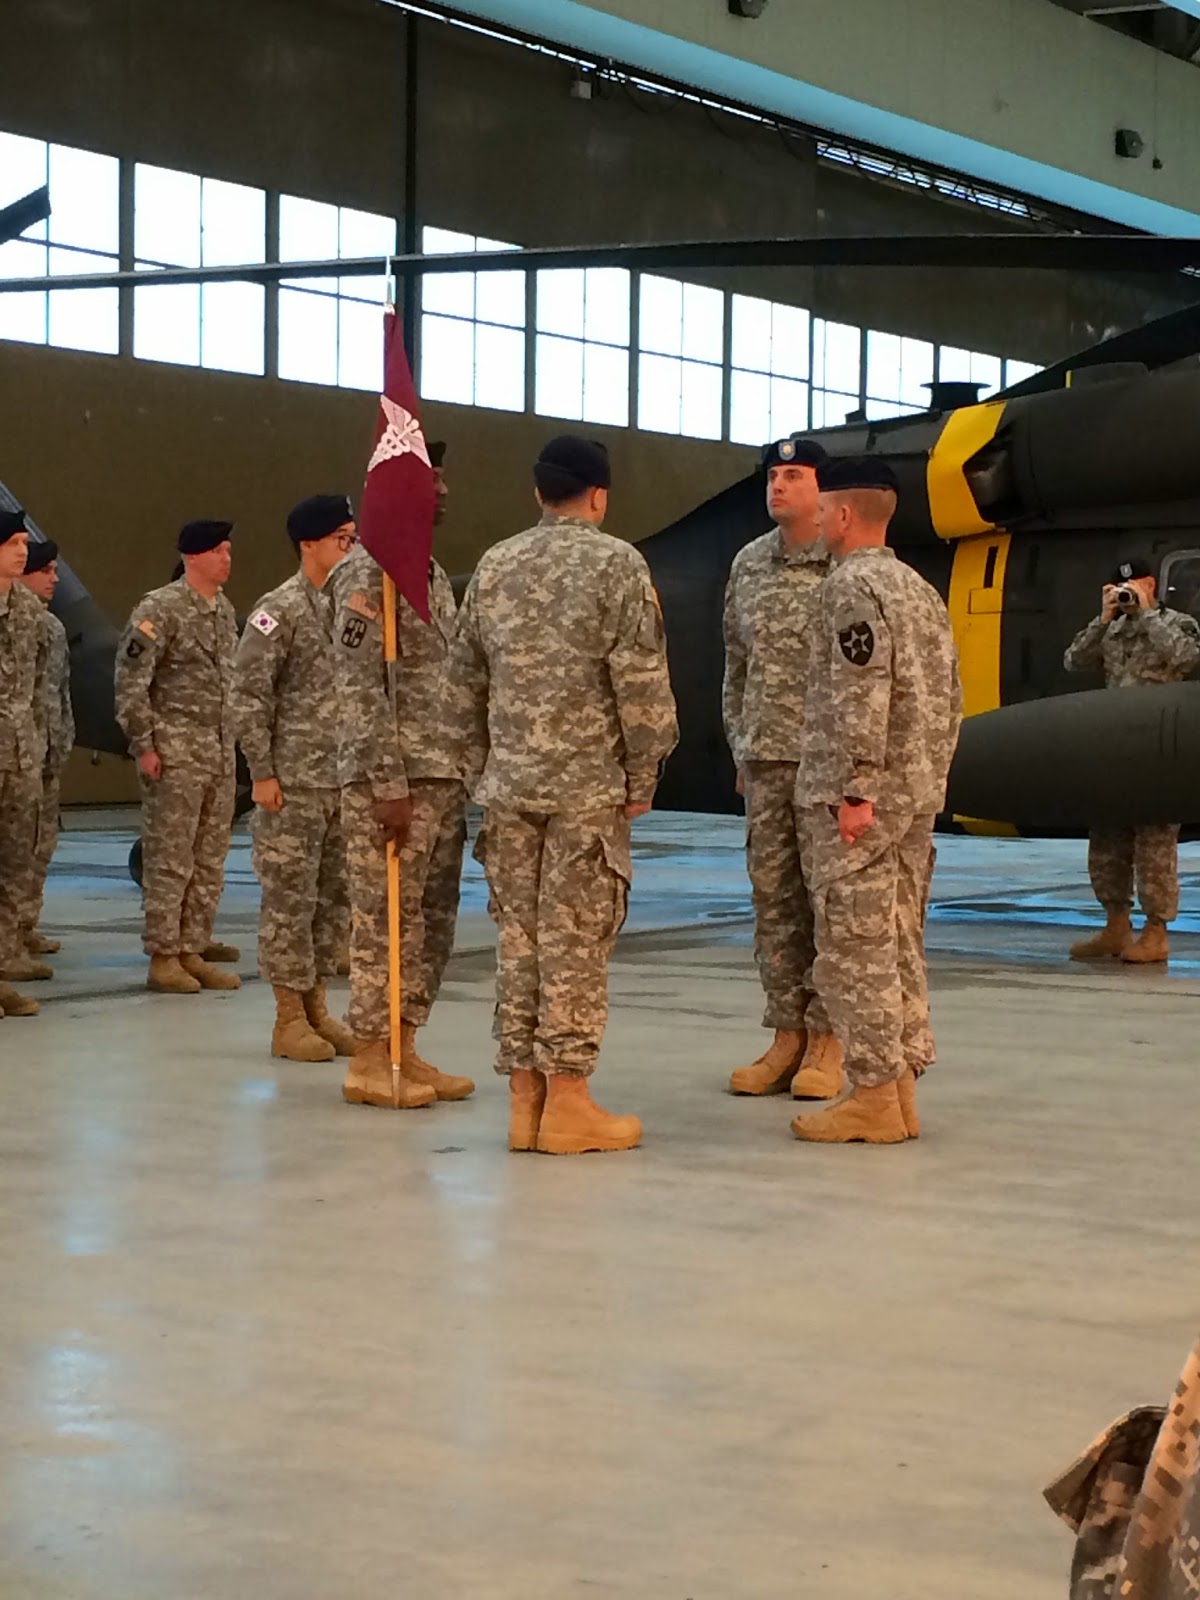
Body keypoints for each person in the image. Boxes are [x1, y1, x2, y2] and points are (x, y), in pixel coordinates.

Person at [445, 435, 679, 1155]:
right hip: (585, 789)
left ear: (537, 493)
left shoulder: (495, 564)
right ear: (599, 495)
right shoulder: (618, 565)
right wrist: (643, 774)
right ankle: (569, 1101)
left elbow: (462, 686)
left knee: (519, 941)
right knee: (574, 941)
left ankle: (526, 1103)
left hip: (510, 790)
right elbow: (641, 685)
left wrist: (481, 771)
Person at [792, 457, 962, 1146]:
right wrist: (926, 781)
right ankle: (899, 1091)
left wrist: (856, 788)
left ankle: (871, 1094)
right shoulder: (918, 589)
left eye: (820, 509)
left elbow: (860, 692)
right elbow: (949, 695)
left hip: (862, 801)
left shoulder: (850, 587)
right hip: (913, 794)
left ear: (841, 515)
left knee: (854, 947)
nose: (815, 520)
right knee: (898, 941)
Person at [329, 442, 473, 1111]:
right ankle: (369, 1057)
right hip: (393, 784)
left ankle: (405, 1044)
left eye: (442, 479)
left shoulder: (429, 572)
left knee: (429, 922)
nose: (441, 491)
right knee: (384, 922)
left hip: (440, 778)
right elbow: (357, 690)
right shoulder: (367, 573)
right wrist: (387, 783)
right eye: (429, 479)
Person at [722, 436, 842, 1102]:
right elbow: (737, 665)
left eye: (794, 475)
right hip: (767, 759)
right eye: (773, 474)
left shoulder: (846, 561)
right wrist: (742, 743)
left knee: (830, 902)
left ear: (823, 489)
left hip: (828, 762)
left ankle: (829, 1038)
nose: (779, 485)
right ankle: (786, 1034)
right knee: (775, 903)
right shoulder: (750, 563)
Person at [230, 495, 357, 1063]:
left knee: (331, 902)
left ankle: (316, 1009)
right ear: (309, 544)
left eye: (354, 538)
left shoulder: (352, 607)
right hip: (293, 783)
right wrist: (261, 771)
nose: (350, 548)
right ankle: (287, 1018)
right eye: (341, 539)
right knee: (289, 902)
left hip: (340, 780)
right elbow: (248, 695)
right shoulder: (278, 610)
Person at [114, 520, 241, 994]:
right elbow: (131, 682)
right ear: (192, 557)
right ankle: (164, 956)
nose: (227, 558)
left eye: (228, 550)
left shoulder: (223, 611)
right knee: (170, 858)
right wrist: (144, 745)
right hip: (175, 754)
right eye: (217, 551)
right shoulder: (160, 609)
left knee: (209, 859)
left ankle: (192, 948)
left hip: (218, 755)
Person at [1064, 559, 1200, 965]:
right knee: (1107, 839)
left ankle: (1156, 933)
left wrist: (1147, 614)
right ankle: (1115, 926)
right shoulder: (1112, 628)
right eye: (1119, 586)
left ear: (1151, 584)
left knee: (1155, 845)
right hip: (1115, 747)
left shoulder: (1177, 624)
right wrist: (1103, 618)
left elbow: (1185, 658)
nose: (1126, 591)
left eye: (1133, 584)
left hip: (1156, 749)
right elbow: (1073, 661)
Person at [17, 538, 74, 961]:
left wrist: (62, 739)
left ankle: (25, 924)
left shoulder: (52, 628)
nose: (53, 579)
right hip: (18, 752)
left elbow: (59, 691)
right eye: (45, 571)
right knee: (15, 848)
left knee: (40, 845)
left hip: (47, 751)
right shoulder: (16, 624)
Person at [0, 508, 47, 1017]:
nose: (22, 551)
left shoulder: (29, 611)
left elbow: (34, 687)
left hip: (19, 759)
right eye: (12, 543)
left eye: (22, 543)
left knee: (14, 866)